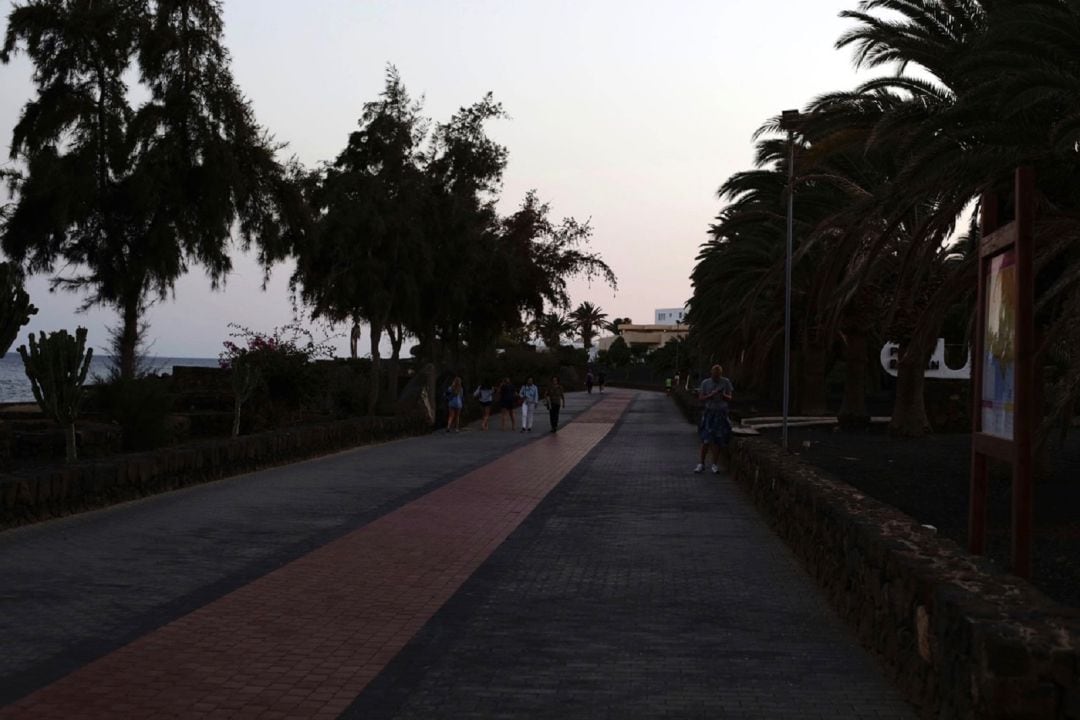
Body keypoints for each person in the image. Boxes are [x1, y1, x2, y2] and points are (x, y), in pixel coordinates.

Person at [694, 364, 734, 474]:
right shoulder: (705, 383)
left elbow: (730, 397)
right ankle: (701, 463)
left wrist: (723, 395)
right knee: (706, 439)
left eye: (718, 376)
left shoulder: (725, 382)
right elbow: (701, 398)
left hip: (721, 413)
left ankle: (714, 464)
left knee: (717, 440)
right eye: (714, 375)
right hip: (709, 413)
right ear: (711, 373)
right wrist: (710, 395)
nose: (716, 378)